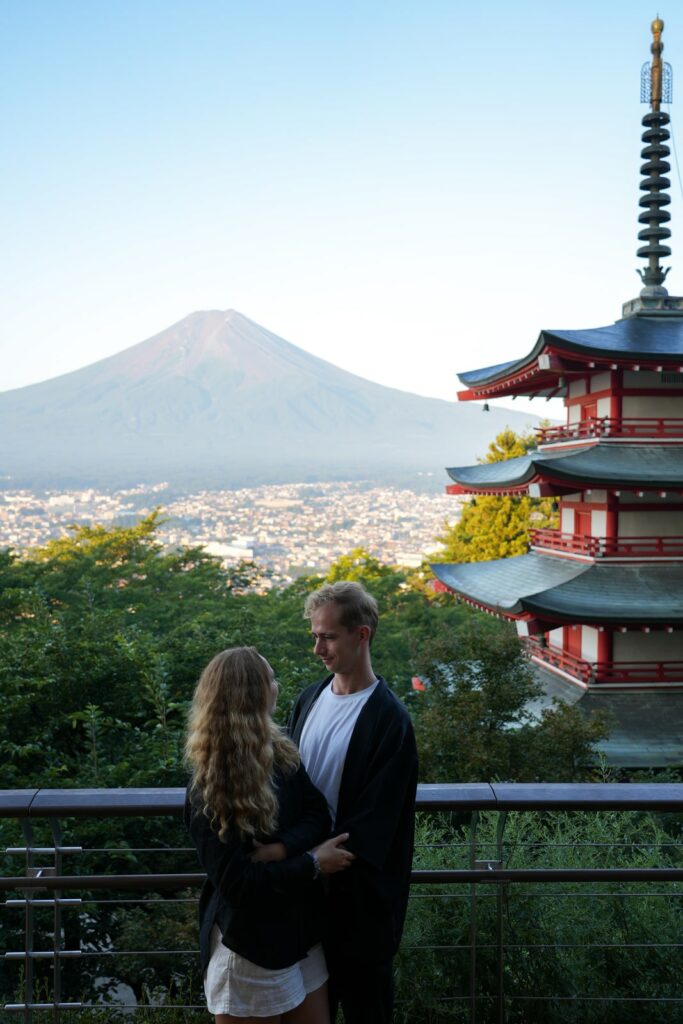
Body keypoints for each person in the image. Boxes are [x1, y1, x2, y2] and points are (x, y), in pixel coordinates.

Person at [185, 645, 355, 1024]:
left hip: (300, 937)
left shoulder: (279, 753)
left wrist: (279, 850)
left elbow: (317, 816)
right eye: (271, 679)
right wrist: (312, 863)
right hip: (249, 948)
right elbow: (240, 886)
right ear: (254, 694)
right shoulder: (212, 786)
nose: (278, 686)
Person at [289, 582, 418, 1024]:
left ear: (361, 635)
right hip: (305, 899)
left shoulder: (390, 720)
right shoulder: (308, 699)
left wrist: (307, 859)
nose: (317, 649)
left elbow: (375, 823)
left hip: (361, 909)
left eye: (327, 637)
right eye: (315, 636)